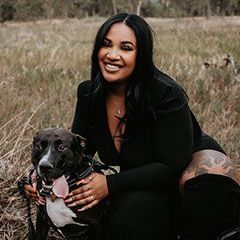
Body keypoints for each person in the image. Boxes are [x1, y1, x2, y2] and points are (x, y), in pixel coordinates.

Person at [24, 13, 240, 240]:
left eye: (126, 47)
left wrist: (109, 183)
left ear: (141, 55)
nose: (112, 54)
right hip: (144, 177)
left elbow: (172, 165)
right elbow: (78, 150)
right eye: (106, 44)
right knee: (125, 218)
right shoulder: (89, 93)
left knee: (207, 185)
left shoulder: (166, 94)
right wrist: (39, 175)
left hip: (186, 170)